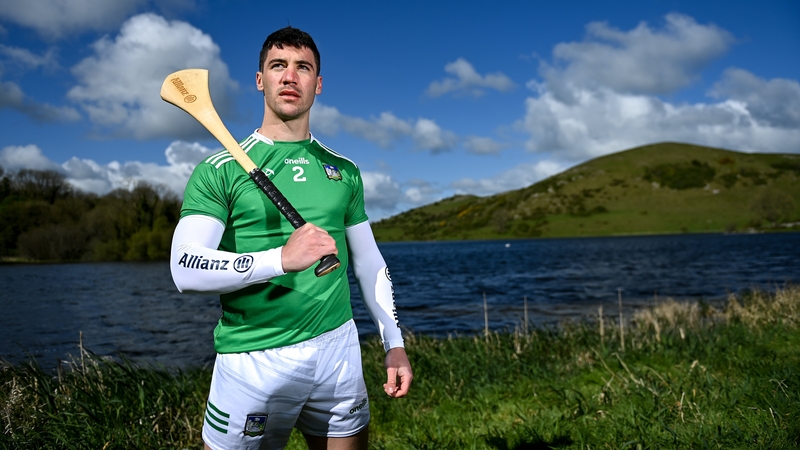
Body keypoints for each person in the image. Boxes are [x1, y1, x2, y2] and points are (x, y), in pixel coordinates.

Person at [169, 26, 412, 450]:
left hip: (337, 349)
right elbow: (184, 267)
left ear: (318, 84)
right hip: (253, 357)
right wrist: (279, 259)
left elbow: (369, 262)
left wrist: (394, 342)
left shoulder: (344, 170)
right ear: (259, 80)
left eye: (303, 67)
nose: (289, 76)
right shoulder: (219, 169)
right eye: (278, 65)